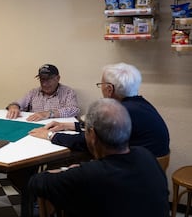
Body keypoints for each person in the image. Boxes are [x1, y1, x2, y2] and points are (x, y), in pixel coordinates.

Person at [29, 98, 170, 217]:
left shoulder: (87, 175)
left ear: (92, 136)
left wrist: (66, 171)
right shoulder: (146, 157)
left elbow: (36, 182)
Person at [29, 62, 170, 157]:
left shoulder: (120, 112)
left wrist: (49, 135)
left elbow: (89, 141)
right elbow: (101, 128)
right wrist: (67, 125)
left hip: (130, 175)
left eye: (100, 84)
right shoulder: (140, 105)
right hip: (147, 169)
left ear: (109, 89)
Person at [6, 64, 80, 121]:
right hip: (33, 127)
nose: (44, 84)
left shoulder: (68, 92)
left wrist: (48, 114)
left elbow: (74, 110)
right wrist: (14, 107)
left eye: (48, 80)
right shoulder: (33, 92)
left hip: (57, 130)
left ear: (58, 78)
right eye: (42, 80)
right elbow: (16, 104)